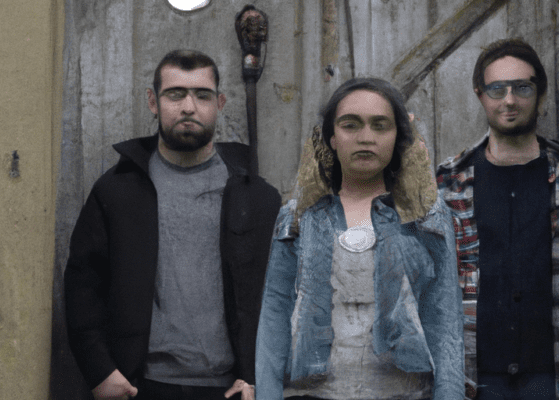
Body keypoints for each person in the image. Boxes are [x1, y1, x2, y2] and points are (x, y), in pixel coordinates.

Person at [64, 49, 281, 400]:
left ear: (220, 103)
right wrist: (100, 371)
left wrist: (259, 376)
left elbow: (279, 297)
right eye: (175, 94)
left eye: (202, 95)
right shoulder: (117, 190)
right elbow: (82, 285)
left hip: (231, 390)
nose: (189, 107)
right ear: (153, 101)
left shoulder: (257, 198)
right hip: (139, 386)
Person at [255, 77, 465, 400]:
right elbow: (274, 316)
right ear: (332, 138)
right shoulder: (300, 216)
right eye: (350, 125)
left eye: (380, 126)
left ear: (397, 137)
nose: (366, 137)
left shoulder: (426, 216)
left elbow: (444, 320)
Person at [436, 38, 559, 400]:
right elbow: (430, 289)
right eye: (497, 88)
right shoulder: (449, 181)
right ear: (480, 94)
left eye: (522, 87)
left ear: (540, 93)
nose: (509, 100)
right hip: (472, 380)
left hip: (554, 378)